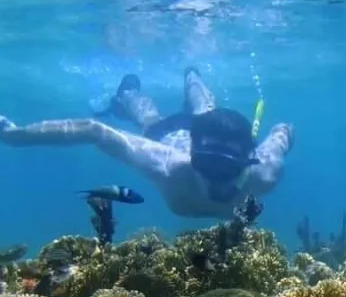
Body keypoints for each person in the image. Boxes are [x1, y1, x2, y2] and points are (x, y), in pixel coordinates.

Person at [0, 67, 293, 219]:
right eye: (206, 163)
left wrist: (14, 135)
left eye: (227, 167)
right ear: (193, 157)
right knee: (152, 121)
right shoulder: (168, 165)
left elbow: (284, 131)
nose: (216, 179)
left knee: (205, 110)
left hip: (216, 139)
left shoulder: (264, 173)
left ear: (248, 162)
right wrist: (14, 136)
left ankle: (192, 76)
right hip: (172, 139)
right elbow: (94, 130)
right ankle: (130, 93)